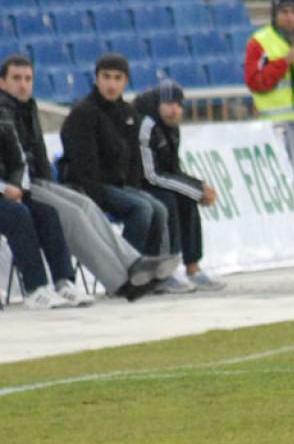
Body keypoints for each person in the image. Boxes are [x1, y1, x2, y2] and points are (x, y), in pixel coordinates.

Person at [0, 54, 177, 301]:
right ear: (2, 82)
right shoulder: (7, 111)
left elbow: (38, 153)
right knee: (74, 214)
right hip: (19, 185)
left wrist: (49, 185)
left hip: (36, 181)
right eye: (16, 78)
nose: (23, 85)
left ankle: (134, 263)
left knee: (86, 206)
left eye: (28, 79)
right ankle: (120, 282)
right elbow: (18, 158)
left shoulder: (27, 107)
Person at [58, 54, 181, 293]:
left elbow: (133, 162)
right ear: (96, 79)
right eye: (106, 77)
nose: (111, 84)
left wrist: (133, 190)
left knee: (158, 208)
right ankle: (123, 277)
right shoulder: (83, 113)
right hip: (86, 187)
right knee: (141, 208)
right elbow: (84, 166)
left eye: (117, 78)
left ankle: (148, 275)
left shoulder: (127, 112)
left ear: (125, 81)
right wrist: (97, 200)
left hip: (118, 185)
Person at [135, 79, 225, 292]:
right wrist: (197, 189)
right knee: (167, 201)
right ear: (158, 104)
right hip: (135, 184)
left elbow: (173, 170)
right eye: (168, 104)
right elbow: (150, 175)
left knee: (187, 199)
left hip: (154, 182)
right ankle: (165, 271)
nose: (173, 110)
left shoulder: (172, 128)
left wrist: (197, 189)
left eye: (178, 105)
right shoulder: (146, 125)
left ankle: (193, 268)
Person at [0, 109, 92, 309]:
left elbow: (19, 162)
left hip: (10, 194)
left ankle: (63, 281)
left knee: (47, 214)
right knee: (18, 216)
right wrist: (3, 188)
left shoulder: (4, 117)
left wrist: (16, 187)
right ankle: (35, 287)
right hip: (4, 193)